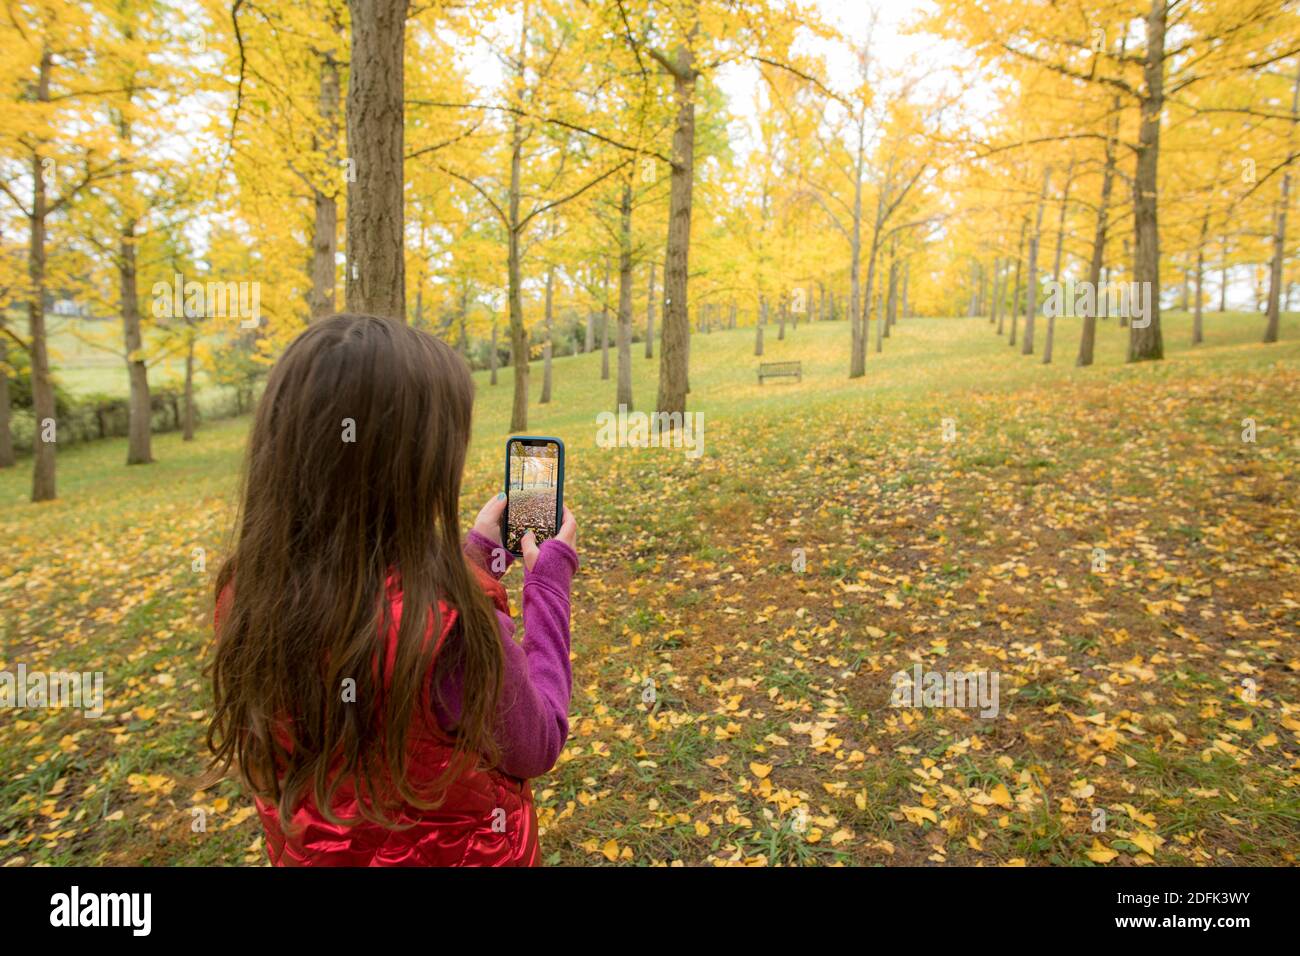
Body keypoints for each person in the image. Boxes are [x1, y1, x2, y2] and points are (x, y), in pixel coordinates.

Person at [206, 313, 578, 866]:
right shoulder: (455, 633)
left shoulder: (249, 594)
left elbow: (377, 598)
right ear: (414, 466)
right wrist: (548, 586)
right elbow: (536, 740)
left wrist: (477, 556)